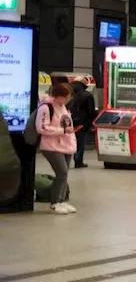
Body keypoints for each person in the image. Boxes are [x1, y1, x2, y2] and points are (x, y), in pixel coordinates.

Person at [36, 83, 77, 214]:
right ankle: (55, 202)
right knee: (62, 172)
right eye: (67, 97)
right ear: (58, 96)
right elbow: (42, 127)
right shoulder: (46, 108)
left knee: (64, 174)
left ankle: (62, 200)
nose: (68, 100)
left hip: (66, 145)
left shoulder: (63, 107)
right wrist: (62, 131)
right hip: (51, 146)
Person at [68, 79, 96, 169]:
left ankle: (66, 161)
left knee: (68, 141)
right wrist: (91, 122)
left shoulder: (68, 94)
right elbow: (90, 111)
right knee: (80, 142)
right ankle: (78, 161)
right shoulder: (87, 95)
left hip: (68, 121)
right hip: (82, 122)